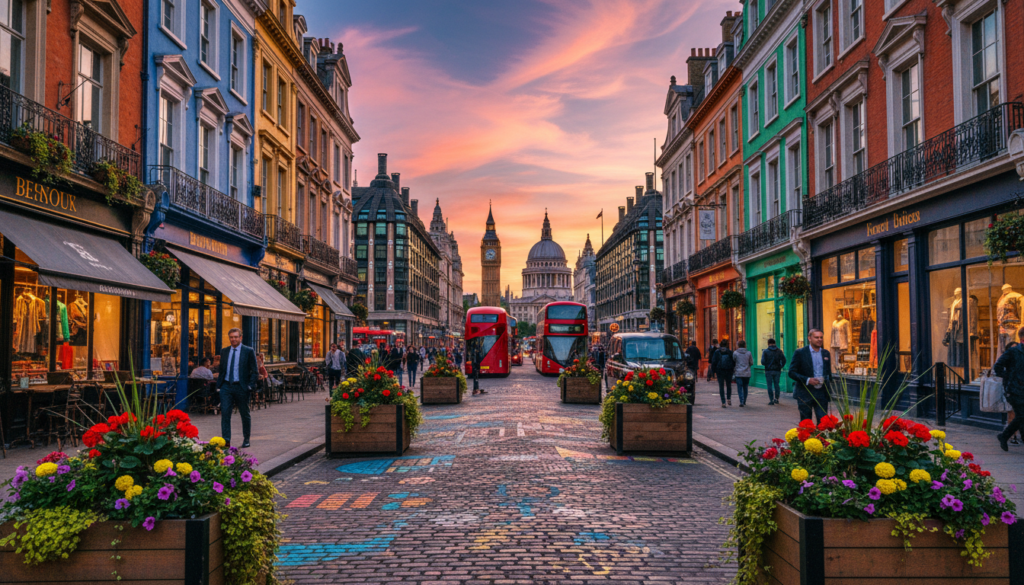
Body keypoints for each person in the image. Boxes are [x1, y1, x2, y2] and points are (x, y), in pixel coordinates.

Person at [217, 328, 258, 448]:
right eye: (231, 337)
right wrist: (219, 386)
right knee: (225, 413)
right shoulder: (224, 351)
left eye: (235, 337)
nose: (233, 339)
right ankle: (226, 440)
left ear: (241, 337)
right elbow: (222, 369)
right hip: (226, 386)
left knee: (244, 414)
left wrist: (250, 386)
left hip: (241, 387)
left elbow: (254, 371)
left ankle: (246, 438)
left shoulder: (248, 351)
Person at [788, 329, 832, 424]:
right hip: (805, 392)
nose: (819, 339)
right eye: (816, 337)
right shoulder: (800, 353)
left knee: (823, 423)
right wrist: (808, 380)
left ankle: (820, 438)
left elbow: (828, 372)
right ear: (809, 338)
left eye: (821, 337)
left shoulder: (826, 353)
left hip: (821, 393)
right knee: (806, 422)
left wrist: (828, 385)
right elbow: (791, 372)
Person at [994, 340, 1024, 451]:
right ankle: (1004, 436)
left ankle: (1004, 436)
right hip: (1014, 390)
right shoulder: (1013, 351)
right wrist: (1010, 378)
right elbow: (997, 367)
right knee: (1021, 416)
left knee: (1021, 416)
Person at [761, 338, 787, 405]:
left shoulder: (765, 351)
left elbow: (763, 362)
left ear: (768, 343)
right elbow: (784, 360)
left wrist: (767, 364)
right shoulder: (779, 351)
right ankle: (777, 398)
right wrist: (781, 366)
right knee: (776, 385)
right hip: (777, 370)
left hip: (768, 370)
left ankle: (771, 400)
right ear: (775, 343)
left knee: (769, 385)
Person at [711, 340, 735, 407]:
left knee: (721, 386)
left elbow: (714, 362)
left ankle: (723, 402)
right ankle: (728, 398)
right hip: (728, 370)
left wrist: (713, 371)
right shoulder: (730, 352)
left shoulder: (717, 352)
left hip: (720, 371)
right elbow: (733, 362)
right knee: (728, 385)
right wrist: (732, 369)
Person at [733, 340, 753, 407]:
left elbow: (734, 361)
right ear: (745, 345)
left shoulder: (735, 353)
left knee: (739, 387)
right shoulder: (749, 353)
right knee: (745, 387)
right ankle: (744, 401)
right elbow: (751, 363)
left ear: (738, 345)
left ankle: (741, 401)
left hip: (738, 372)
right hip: (747, 373)